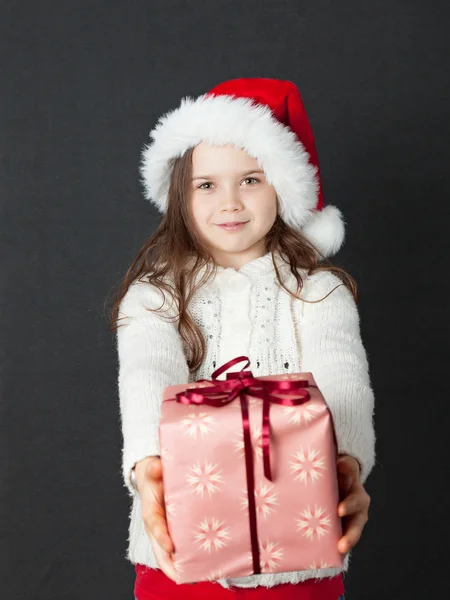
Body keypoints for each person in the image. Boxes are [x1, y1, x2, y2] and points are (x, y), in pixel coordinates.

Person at [111, 77, 376, 600]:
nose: (229, 202)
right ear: (178, 194)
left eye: (251, 180)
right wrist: (148, 467)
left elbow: (341, 376)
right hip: (180, 557)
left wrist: (347, 461)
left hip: (298, 559)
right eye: (206, 184)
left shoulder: (317, 293)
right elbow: (147, 372)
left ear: (283, 185)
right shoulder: (154, 297)